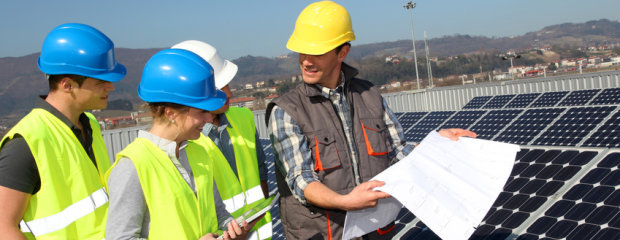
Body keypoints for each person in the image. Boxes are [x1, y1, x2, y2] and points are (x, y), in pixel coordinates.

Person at [266, 1, 477, 239]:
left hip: (373, 231)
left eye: (317, 52)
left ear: (342, 53)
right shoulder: (286, 110)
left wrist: (435, 144)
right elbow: (300, 179)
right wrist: (345, 202)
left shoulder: (370, 95)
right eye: (303, 51)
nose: (306, 60)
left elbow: (397, 152)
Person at [105, 48, 255, 240]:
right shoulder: (132, 165)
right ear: (171, 113)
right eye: (202, 112)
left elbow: (218, 214)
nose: (209, 119)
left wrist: (232, 231)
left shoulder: (198, 153)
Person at [0, 23, 126, 239]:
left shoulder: (91, 124)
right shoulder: (26, 142)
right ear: (68, 85)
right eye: (101, 81)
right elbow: (4, 227)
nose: (111, 87)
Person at [172, 40, 272, 240]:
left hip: (260, 233)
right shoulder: (181, 142)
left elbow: (261, 172)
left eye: (227, 84)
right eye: (219, 87)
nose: (229, 93)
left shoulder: (244, 118)